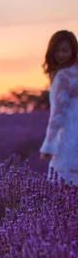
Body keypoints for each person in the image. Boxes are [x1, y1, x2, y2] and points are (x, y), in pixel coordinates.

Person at [39, 30, 78, 186]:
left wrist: (48, 145)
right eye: (57, 51)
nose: (61, 55)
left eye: (65, 50)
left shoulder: (63, 75)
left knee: (62, 187)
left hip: (67, 139)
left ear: (73, 50)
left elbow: (57, 115)